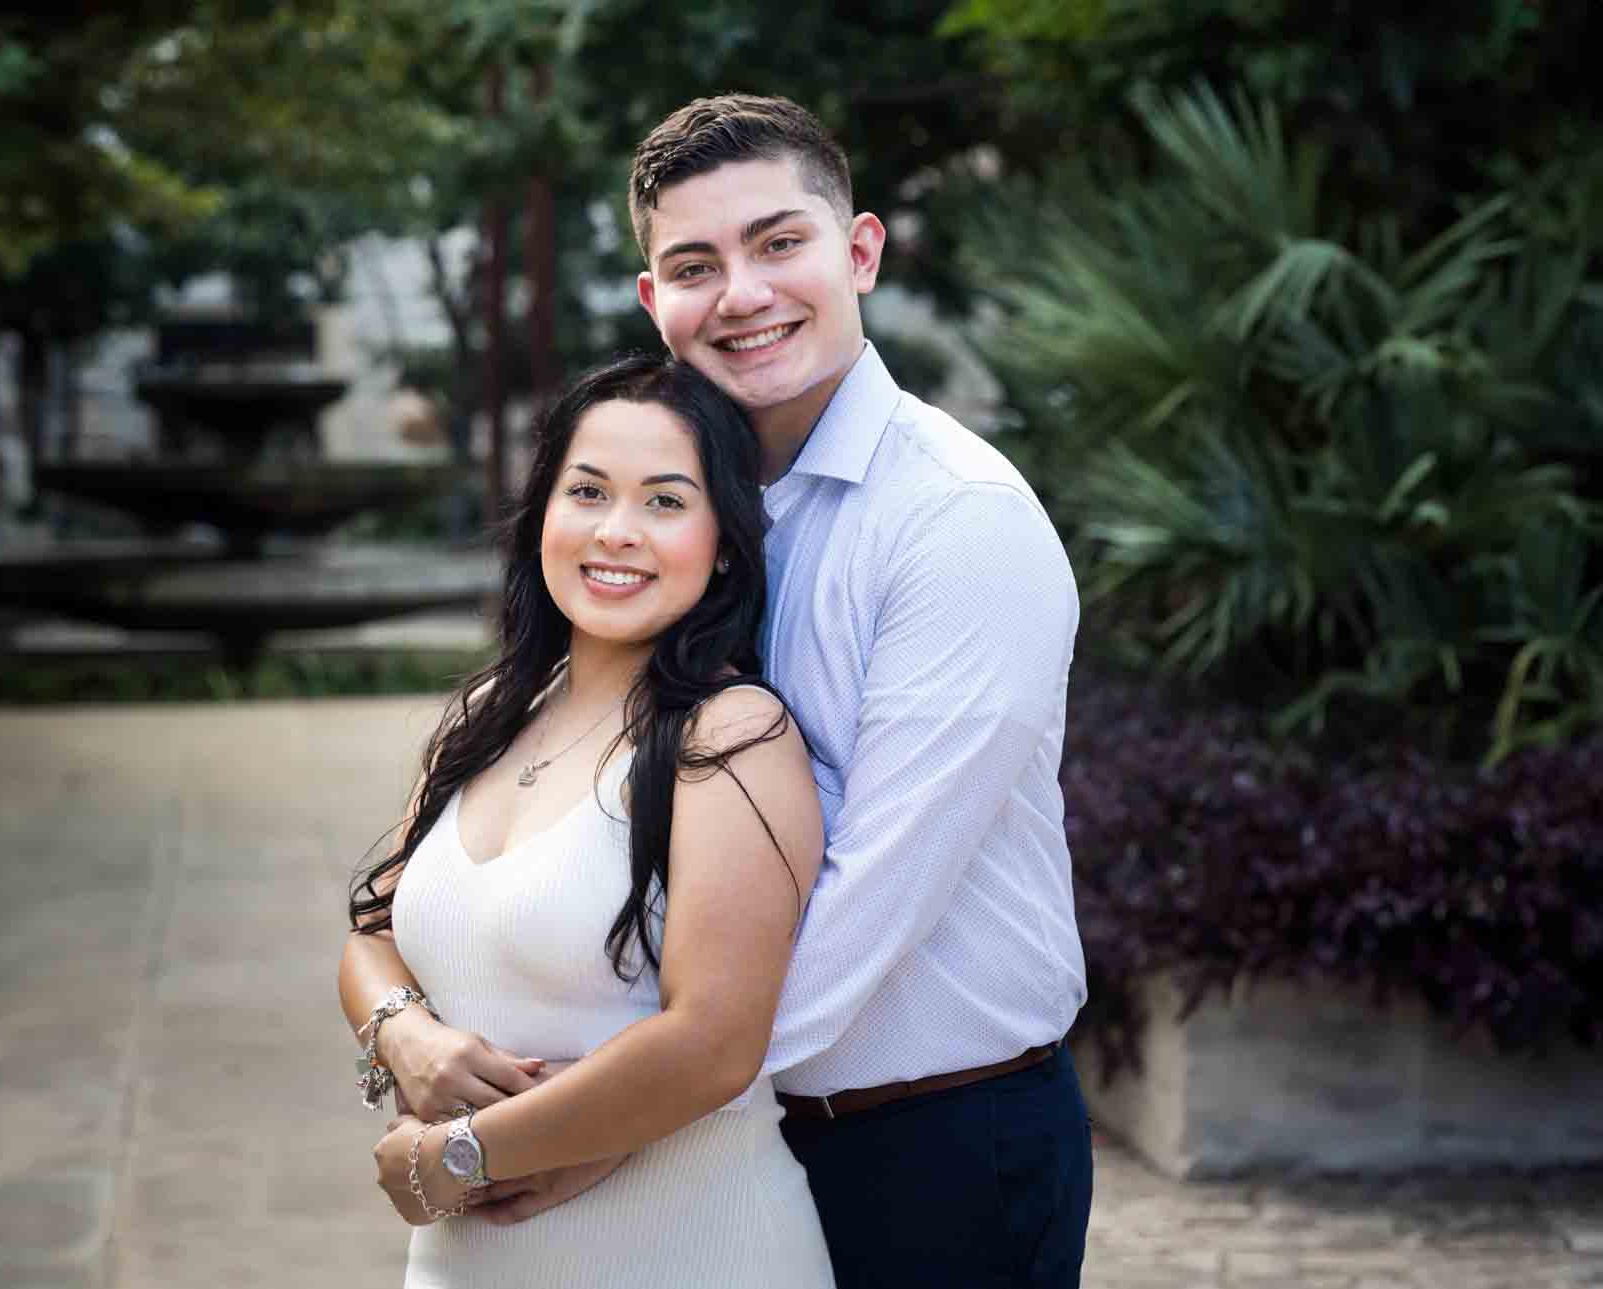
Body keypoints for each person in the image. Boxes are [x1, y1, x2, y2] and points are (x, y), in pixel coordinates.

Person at [620, 93, 1095, 1288]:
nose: (740, 293)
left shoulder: (954, 517)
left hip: (928, 1143)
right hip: (728, 1128)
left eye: (778, 242)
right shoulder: (672, 520)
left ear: (860, 251)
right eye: (693, 264)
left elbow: (870, 901)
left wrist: (610, 1110)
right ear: (651, 303)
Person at [339, 353, 836, 1287]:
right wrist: (405, 1035)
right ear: (544, 516)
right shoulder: (488, 714)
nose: (618, 532)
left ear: (725, 540)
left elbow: (714, 1042)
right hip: (465, 1260)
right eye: (589, 491)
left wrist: (456, 1155)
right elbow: (374, 931)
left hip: (689, 1247)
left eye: (664, 501)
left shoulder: (730, 734)